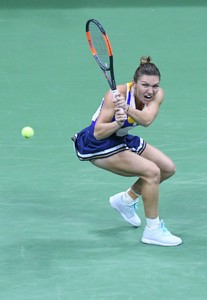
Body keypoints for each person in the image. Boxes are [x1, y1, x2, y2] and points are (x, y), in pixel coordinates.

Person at [72, 56, 182, 247]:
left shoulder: (157, 95)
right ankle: (153, 231)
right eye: (145, 85)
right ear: (135, 83)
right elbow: (98, 133)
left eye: (155, 86)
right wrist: (117, 121)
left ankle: (126, 200)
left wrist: (127, 110)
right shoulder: (114, 95)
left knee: (167, 168)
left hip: (121, 138)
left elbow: (146, 120)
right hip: (98, 144)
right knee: (152, 172)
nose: (150, 91)